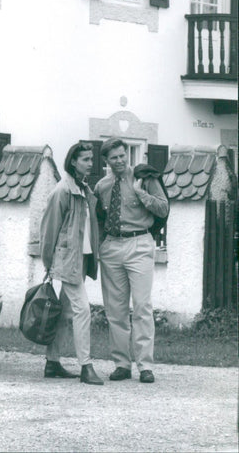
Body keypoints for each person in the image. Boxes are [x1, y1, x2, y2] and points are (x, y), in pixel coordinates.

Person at [94, 137, 169, 384]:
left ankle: (145, 366)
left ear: (127, 154)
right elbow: (99, 220)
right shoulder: (102, 186)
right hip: (112, 247)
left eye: (122, 155)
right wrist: (100, 246)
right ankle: (121, 364)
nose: (119, 161)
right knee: (115, 310)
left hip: (139, 243)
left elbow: (163, 208)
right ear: (106, 160)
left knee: (142, 306)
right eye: (113, 157)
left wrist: (141, 193)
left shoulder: (144, 178)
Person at [39, 142, 103, 385]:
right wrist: (48, 263)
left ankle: (52, 362)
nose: (90, 163)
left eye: (91, 159)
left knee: (65, 312)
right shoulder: (63, 190)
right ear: (73, 161)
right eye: (85, 159)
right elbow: (49, 229)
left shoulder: (83, 189)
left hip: (81, 259)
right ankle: (86, 366)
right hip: (67, 260)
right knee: (82, 309)